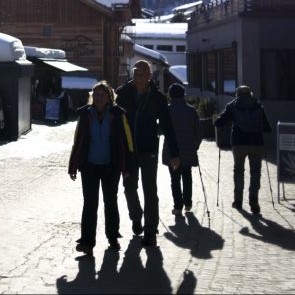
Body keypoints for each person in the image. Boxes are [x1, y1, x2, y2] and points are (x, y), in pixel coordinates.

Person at [115, 60, 180, 248]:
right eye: (135, 73)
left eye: (142, 74)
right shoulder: (123, 94)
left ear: (149, 76)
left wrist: (175, 152)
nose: (138, 77)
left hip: (149, 149)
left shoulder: (158, 98)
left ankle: (150, 231)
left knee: (150, 191)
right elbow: (115, 121)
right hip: (128, 150)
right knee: (129, 187)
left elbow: (167, 125)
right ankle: (136, 217)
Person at [68, 80, 134, 256]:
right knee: (90, 204)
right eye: (96, 94)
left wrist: (126, 166)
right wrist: (73, 164)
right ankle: (87, 242)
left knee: (110, 202)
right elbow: (78, 139)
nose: (98, 98)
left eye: (102, 95)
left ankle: (113, 238)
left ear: (109, 97)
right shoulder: (85, 114)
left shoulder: (118, 114)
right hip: (89, 166)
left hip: (111, 167)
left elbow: (127, 141)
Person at [214, 85, 272, 214]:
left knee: (239, 171)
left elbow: (219, 123)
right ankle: (254, 201)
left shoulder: (233, 105)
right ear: (250, 93)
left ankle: (238, 201)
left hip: (239, 143)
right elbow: (267, 128)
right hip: (257, 143)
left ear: (237, 94)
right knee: (255, 172)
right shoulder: (258, 105)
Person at [162, 84, 201, 217]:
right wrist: (195, 146)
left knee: (175, 179)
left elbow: (161, 130)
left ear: (170, 95)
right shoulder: (192, 110)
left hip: (171, 151)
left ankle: (178, 206)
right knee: (187, 177)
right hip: (188, 149)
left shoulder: (167, 111)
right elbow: (198, 132)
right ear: (184, 94)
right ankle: (188, 203)